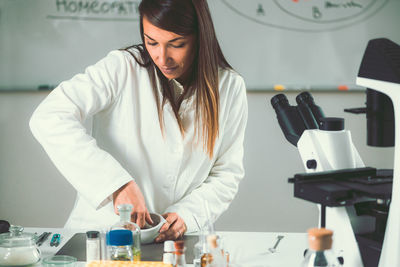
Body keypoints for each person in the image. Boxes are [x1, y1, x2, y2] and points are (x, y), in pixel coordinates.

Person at [30, 0, 247, 242]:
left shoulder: (229, 87)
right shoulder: (123, 68)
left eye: (177, 45)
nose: (162, 57)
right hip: (103, 234)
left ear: (200, 36)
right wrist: (116, 185)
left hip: (174, 241)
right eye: (152, 42)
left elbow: (226, 173)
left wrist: (188, 214)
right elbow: (49, 116)